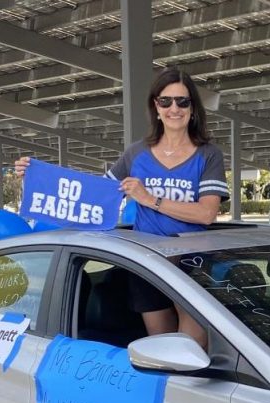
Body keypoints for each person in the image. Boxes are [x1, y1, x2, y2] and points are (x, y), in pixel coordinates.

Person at [16, 68, 228, 349]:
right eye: (166, 101)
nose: (173, 109)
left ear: (193, 107)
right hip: (148, 265)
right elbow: (92, 194)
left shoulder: (208, 154)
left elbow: (206, 213)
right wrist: (36, 176)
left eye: (182, 102)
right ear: (156, 106)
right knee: (164, 354)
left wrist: (149, 198)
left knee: (190, 352)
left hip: (192, 265)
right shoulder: (136, 153)